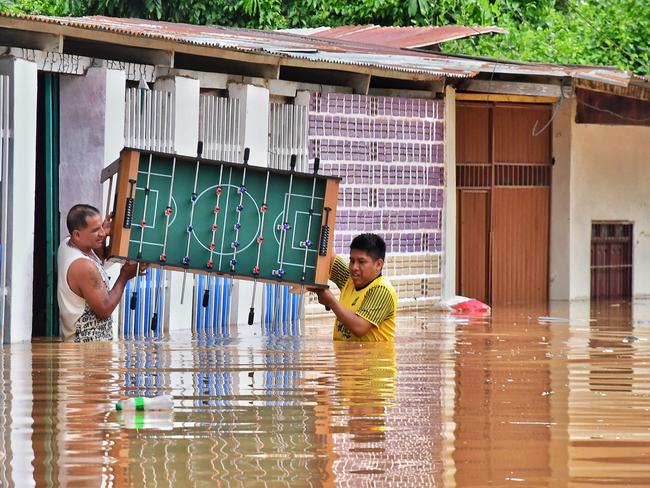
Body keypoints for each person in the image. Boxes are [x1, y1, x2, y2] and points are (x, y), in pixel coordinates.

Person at [57, 204, 145, 342]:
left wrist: (101, 236)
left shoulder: (67, 243)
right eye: (96, 230)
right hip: (86, 349)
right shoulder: (83, 266)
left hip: (87, 347)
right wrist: (124, 276)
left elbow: (97, 264)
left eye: (102, 227)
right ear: (77, 234)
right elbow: (104, 310)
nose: (103, 233)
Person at [312, 233, 397, 341]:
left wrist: (331, 302)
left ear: (378, 264)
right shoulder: (348, 279)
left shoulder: (382, 290)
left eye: (361, 262)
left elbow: (359, 328)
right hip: (345, 357)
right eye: (352, 261)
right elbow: (327, 257)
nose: (354, 267)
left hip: (373, 358)